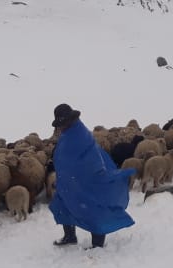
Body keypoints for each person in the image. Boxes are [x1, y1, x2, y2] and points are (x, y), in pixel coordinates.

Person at [48, 103, 135, 249]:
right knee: (63, 203)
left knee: (93, 207)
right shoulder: (67, 134)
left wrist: (92, 175)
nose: (60, 127)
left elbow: (91, 157)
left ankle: (97, 244)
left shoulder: (80, 134)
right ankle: (70, 236)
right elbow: (64, 157)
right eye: (59, 124)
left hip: (88, 180)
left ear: (70, 120)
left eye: (62, 123)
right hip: (70, 181)